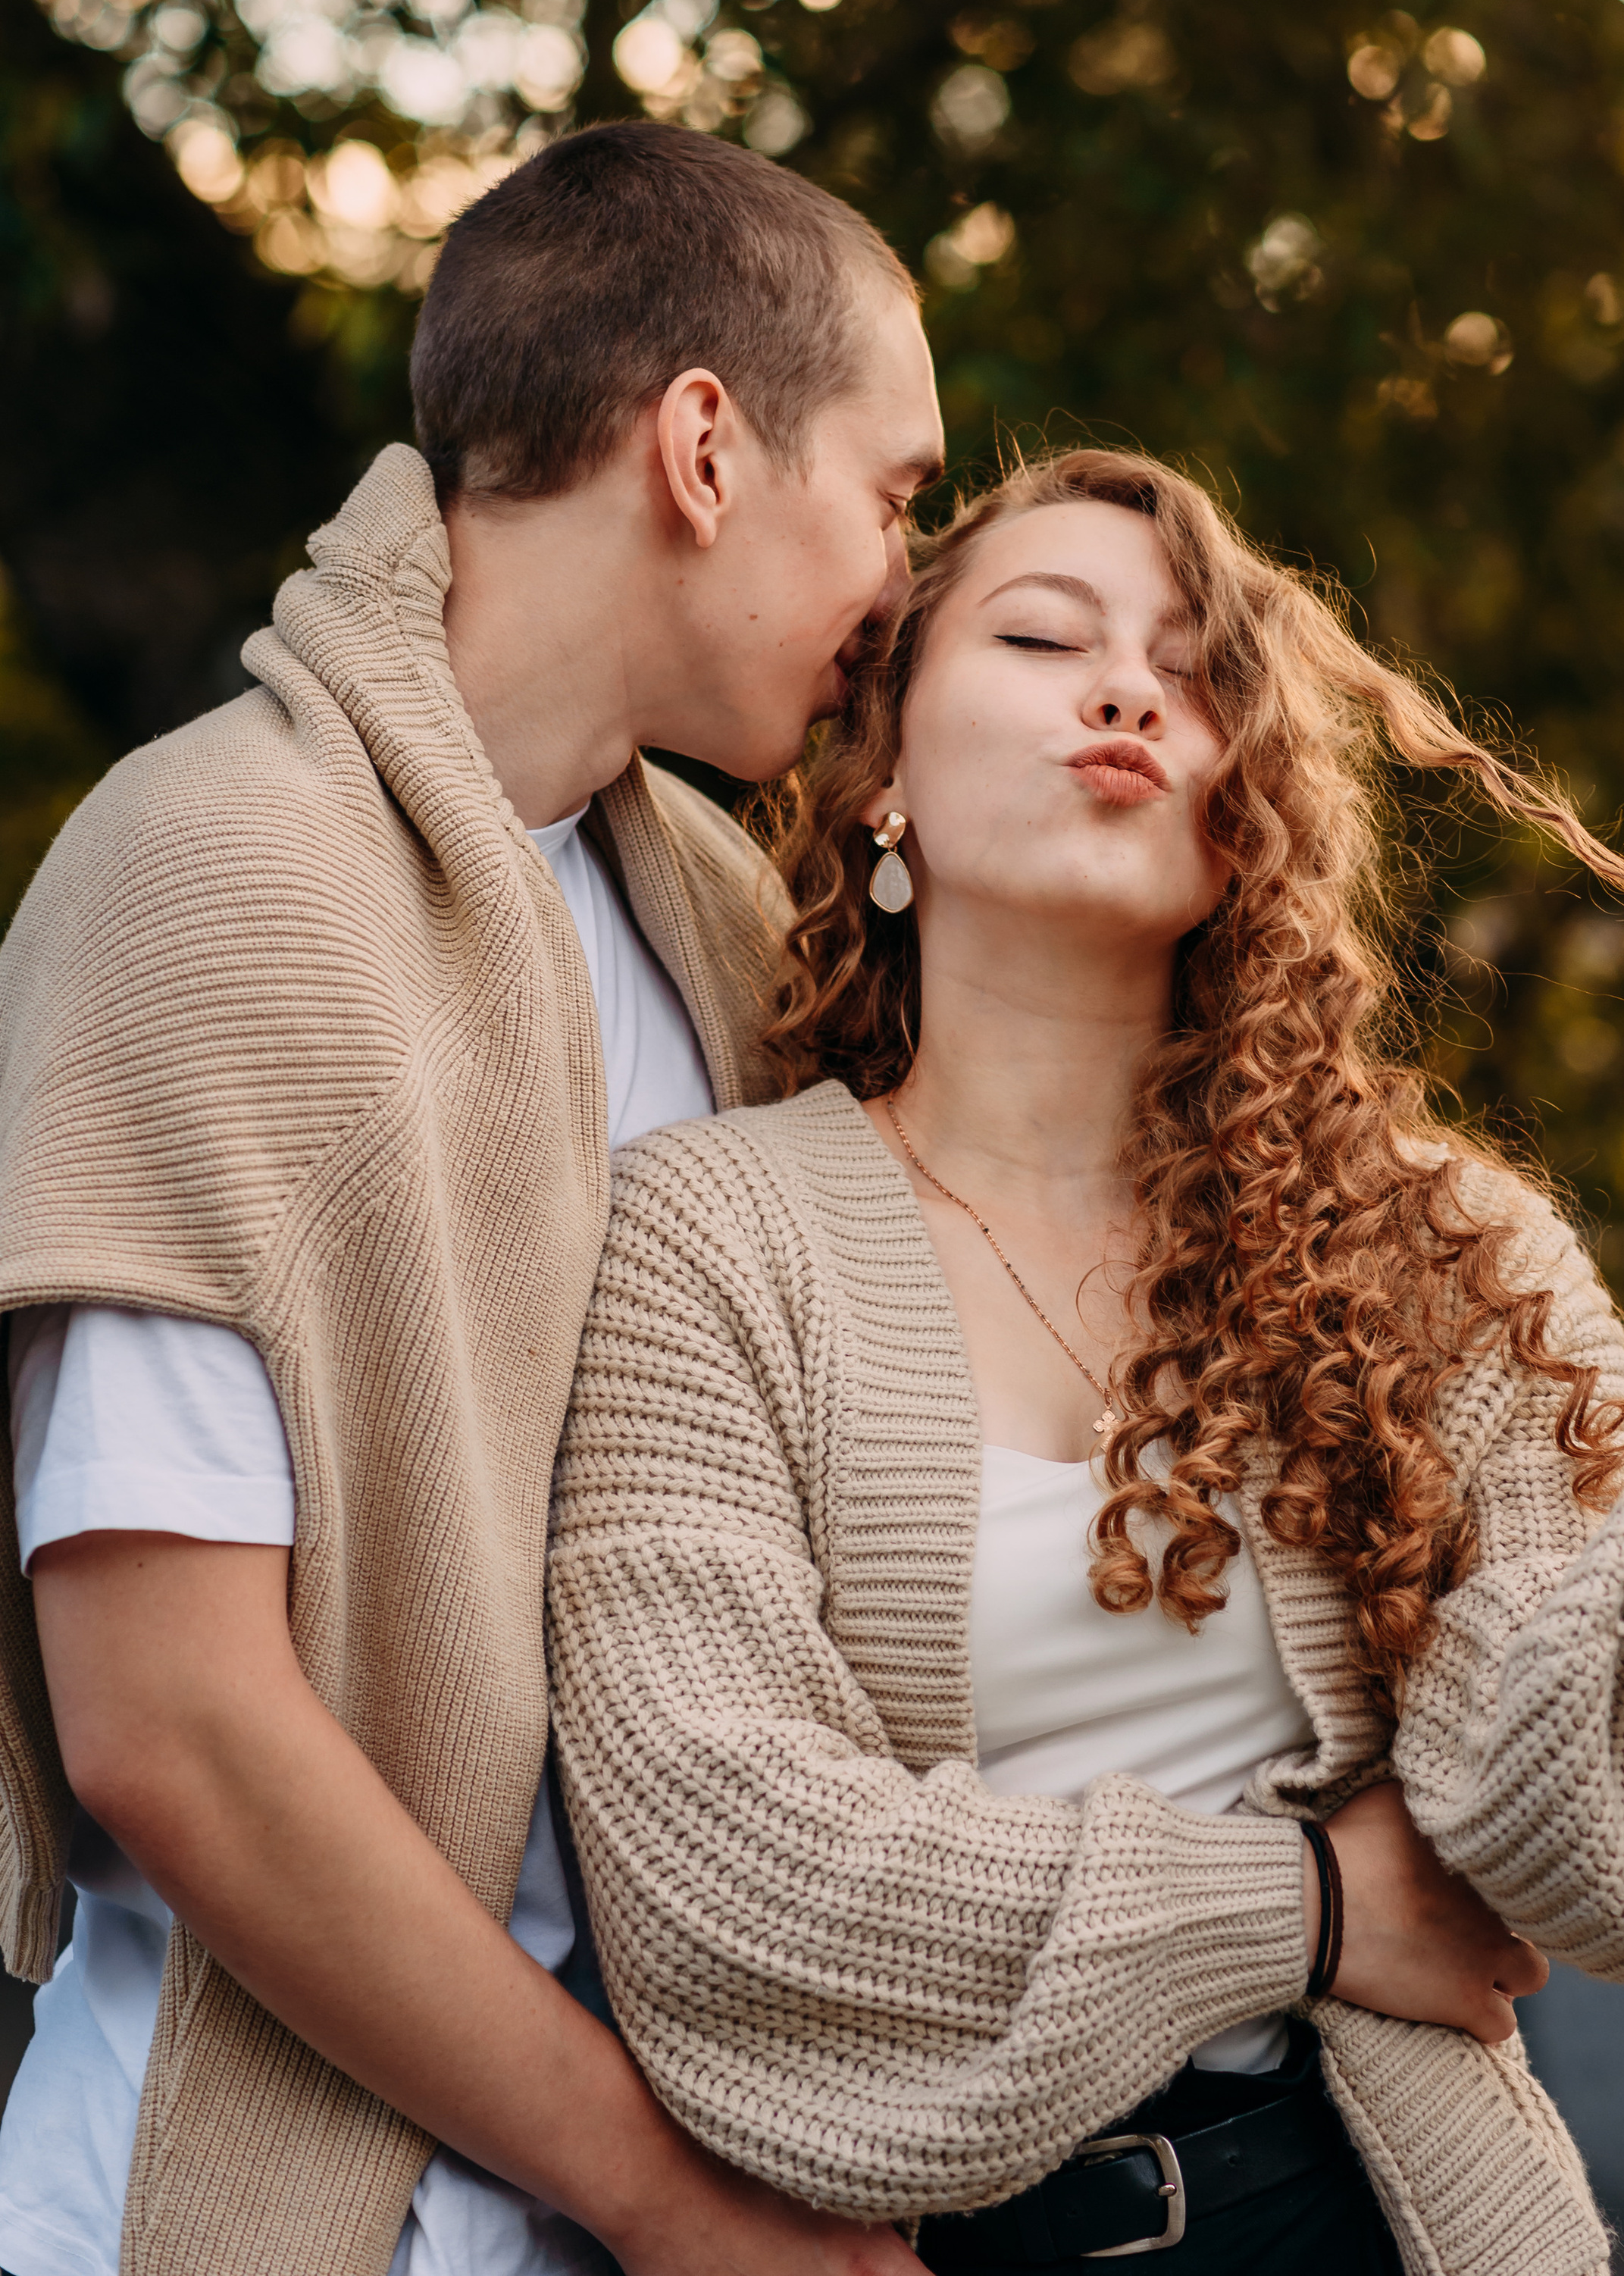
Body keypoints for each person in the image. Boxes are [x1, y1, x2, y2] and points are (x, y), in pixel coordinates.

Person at [547, 445, 1624, 2276]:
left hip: (1377, 2215)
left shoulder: (1435, 1255)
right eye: (1042, 638)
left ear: (1248, 800)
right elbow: (730, 1878)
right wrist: (1297, 1906)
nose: (1126, 688)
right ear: (876, 769)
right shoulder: (702, 1237)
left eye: (1197, 670)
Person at [0, 123, 947, 2276]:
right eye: (893, 492)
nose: (909, 578)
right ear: (705, 446)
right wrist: (666, 2198)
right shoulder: (221, 876)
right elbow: (177, 1728)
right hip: (275, 2212)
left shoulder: (704, 917)